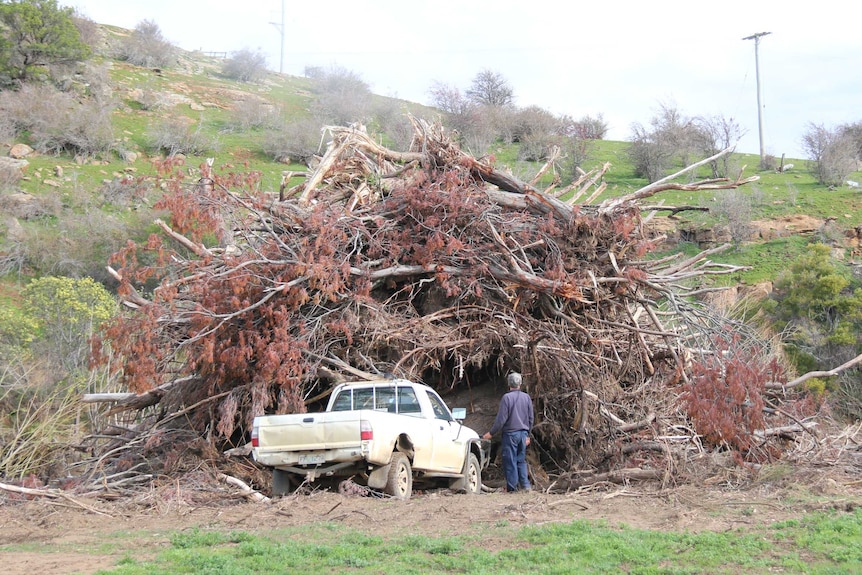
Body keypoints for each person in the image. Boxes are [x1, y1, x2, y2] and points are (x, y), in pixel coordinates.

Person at [482, 372, 534, 492]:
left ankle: (512, 488)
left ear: (509, 384)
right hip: (523, 434)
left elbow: (501, 419)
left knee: (510, 461)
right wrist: (528, 435)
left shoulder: (507, 398)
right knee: (520, 460)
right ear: (520, 383)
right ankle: (526, 486)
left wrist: (491, 433)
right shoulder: (526, 398)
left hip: (511, 434)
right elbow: (531, 418)